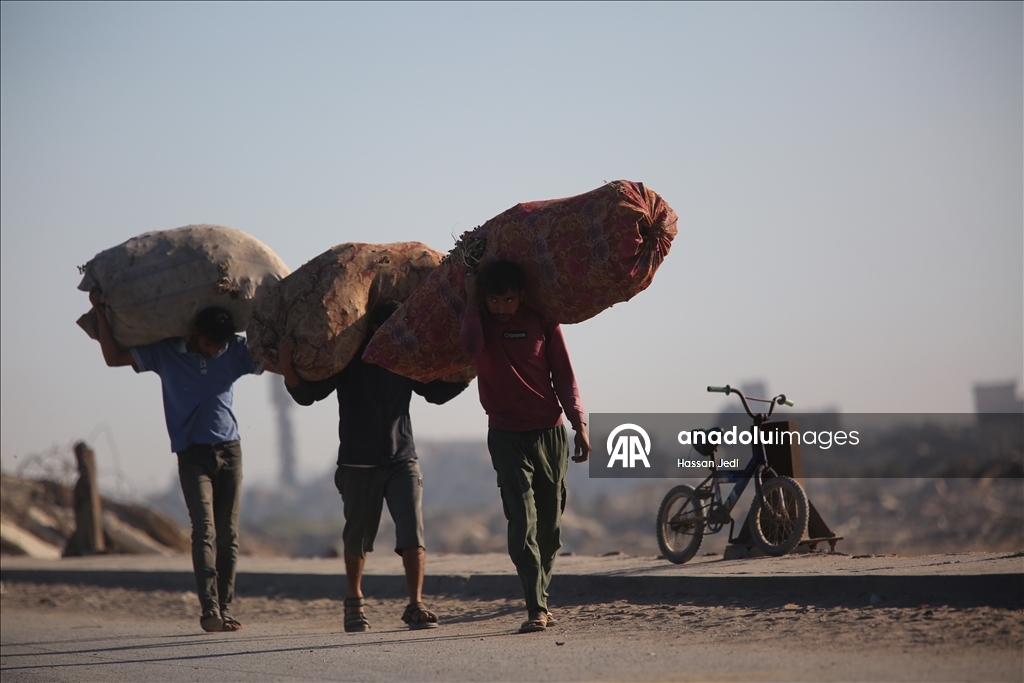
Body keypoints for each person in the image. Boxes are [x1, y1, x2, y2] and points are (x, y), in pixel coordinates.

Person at [277, 301, 468, 632]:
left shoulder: (403, 359)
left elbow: (435, 392)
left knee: (412, 531)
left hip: (402, 459)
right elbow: (309, 394)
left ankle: (416, 604)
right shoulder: (348, 356)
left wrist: (468, 370)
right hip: (357, 462)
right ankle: (354, 603)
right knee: (357, 536)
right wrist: (286, 365)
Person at [89, 289, 265, 633]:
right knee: (203, 529)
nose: (214, 351)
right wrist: (99, 313)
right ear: (195, 332)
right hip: (192, 453)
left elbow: (273, 362)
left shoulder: (234, 351)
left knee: (228, 536)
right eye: (209, 344)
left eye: (219, 346)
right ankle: (209, 608)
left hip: (230, 451)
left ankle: (225, 607)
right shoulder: (166, 352)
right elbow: (113, 358)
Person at [458, 260, 591, 633]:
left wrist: (579, 424)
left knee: (550, 526)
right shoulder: (479, 322)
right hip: (505, 435)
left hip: (549, 433)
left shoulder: (542, 322)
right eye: (494, 300)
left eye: (509, 300)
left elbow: (564, 375)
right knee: (522, 520)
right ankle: (536, 606)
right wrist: (471, 300)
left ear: (521, 295)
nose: (502, 307)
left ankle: (540, 596)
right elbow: (469, 347)